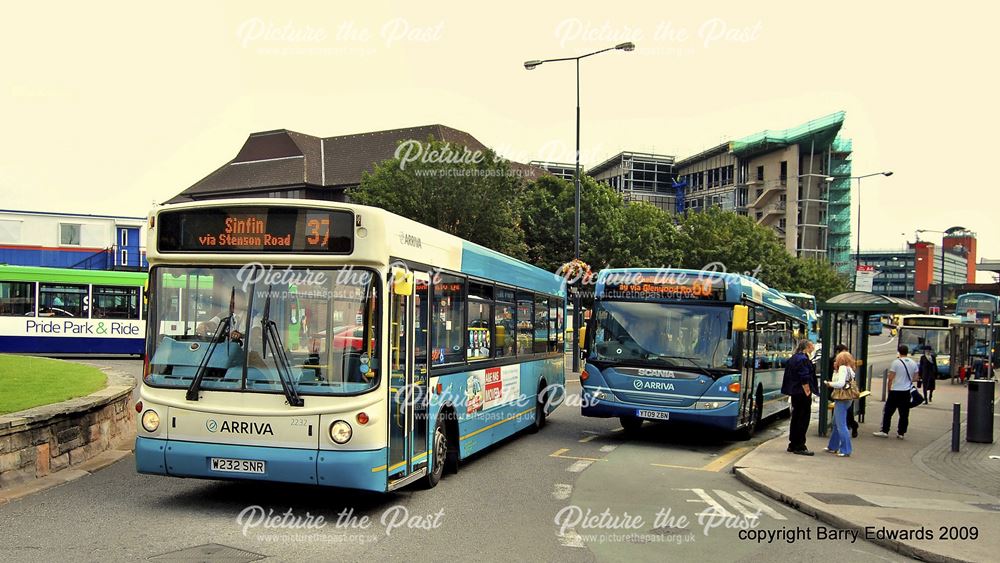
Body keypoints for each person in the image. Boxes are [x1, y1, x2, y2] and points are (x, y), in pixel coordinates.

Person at [781, 339, 818, 455]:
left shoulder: (794, 358)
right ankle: (800, 445)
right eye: (812, 346)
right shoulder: (803, 359)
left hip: (795, 393)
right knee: (803, 418)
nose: (813, 349)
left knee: (796, 417)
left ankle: (792, 444)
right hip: (802, 393)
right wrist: (808, 392)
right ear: (807, 347)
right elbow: (804, 377)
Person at [874, 344, 919, 439]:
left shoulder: (896, 362)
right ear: (907, 352)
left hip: (895, 390)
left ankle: (885, 431)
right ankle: (901, 433)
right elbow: (916, 378)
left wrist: (889, 389)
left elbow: (891, 378)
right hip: (906, 391)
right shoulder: (913, 363)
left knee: (888, 411)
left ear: (899, 352)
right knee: (904, 413)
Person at [824, 351, 856, 457]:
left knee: (841, 425)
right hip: (848, 398)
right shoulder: (850, 369)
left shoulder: (842, 368)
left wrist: (829, 384)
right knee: (835, 423)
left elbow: (840, 383)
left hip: (841, 398)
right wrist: (835, 370)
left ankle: (846, 449)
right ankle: (833, 446)